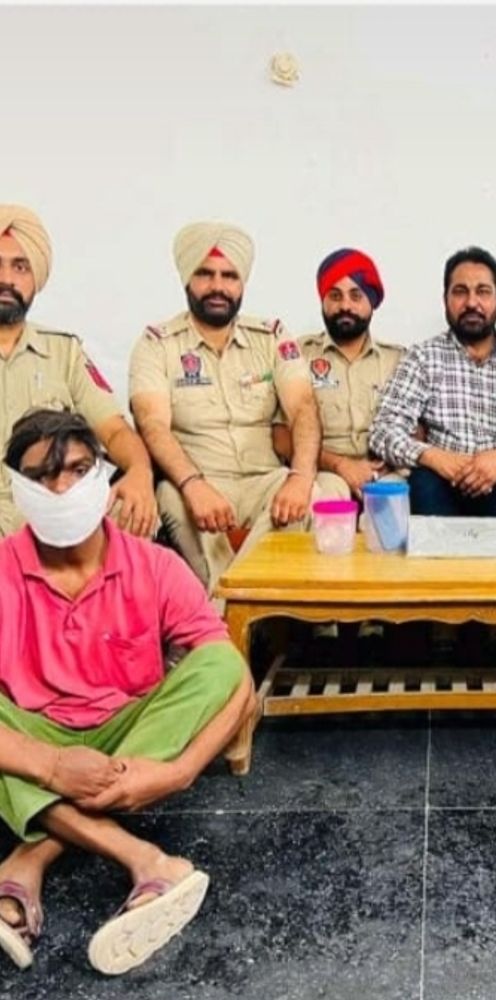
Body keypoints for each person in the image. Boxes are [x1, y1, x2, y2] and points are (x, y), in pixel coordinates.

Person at [0, 409, 254, 974]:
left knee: (219, 664)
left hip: (129, 742)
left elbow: (236, 684)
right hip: (35, 739)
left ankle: (25, 861)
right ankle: (146, 860)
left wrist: (179, 772)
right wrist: (51, 765)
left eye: (77, 469)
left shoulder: (154, 565)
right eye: (41, 475)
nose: (62, 488)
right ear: (17, 487)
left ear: (103, 476)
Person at [129, 222, 320, 591]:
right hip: (198, 478)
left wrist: (299, 478)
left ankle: (226, 604)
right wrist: (193, 484)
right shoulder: (157, 344)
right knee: (170, 495)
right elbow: (152, 424)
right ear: (187, 279)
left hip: (263, 479)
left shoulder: (272, 336)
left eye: (229, 276)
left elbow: (303, 408)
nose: (218, 286)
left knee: (312, 492)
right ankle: (234, 607)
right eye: (205, 274)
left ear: (242, 283)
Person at [0, 204, 156, 538]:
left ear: (36, 278)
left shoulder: (64, 352)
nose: (6, 279)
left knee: (132, 512)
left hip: (53, 502)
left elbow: (114, 431)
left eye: (20, 266)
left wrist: (140, 473)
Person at [369, 246, 496, 516]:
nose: (472, 302)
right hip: (440, 478)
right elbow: (384, 429)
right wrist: (432, 456)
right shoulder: (423, 357)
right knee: (422, 483)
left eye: (483, 291)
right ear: (445, 299)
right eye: (460, 291)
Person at [273, 247, 405, 500]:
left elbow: (416, 430)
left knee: (393, 499)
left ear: (371, 302)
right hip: (323, 470)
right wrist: (340, 465)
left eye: (356, 296)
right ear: (322, 301)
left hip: (385, 470)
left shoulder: (398, 359)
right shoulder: (298, 355)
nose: (345, 305)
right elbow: (280, 438)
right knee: (327, 496)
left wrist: (381, 467)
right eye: (335, 296)